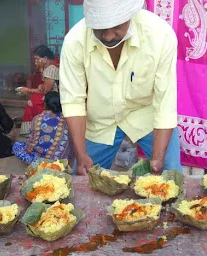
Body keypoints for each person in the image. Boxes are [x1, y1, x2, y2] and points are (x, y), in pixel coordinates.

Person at [59, 0, 182, 175]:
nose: (108, 36)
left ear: (131, 15)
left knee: (171, 177)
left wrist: (158, 158)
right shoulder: (74, 41)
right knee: (84, 179)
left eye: (117, 26)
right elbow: (73, 101)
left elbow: (166, 102)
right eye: (100, 29)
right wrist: (81, 154)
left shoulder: (160, 36)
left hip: (147, 115)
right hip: (101, 119)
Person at [13, 91, 73, 164]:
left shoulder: (37, 118)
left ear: (45, 104)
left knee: (17, 145)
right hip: (61, 160)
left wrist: (28, 150)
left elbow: (31, 142)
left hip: (39, 162)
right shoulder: (68, 119)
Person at [18, 45, 60, 136]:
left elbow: (46, 91)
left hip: (55, 98)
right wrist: (41, 85)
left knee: (33, 101)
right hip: (52, 95)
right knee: (34, 98)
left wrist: (28, 90)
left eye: (37, 59)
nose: (36, 62)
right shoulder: (48, 68)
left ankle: (34, 129)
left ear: (45, 58)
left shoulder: (51, 69)